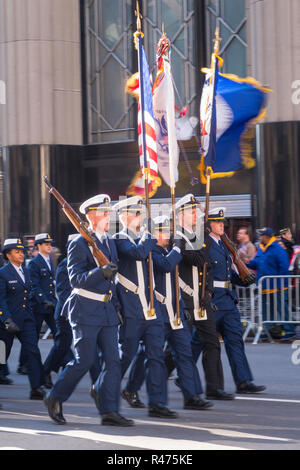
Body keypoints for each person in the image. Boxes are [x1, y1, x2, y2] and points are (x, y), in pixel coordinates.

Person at [44, 194, 133, 427]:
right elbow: (75, 280)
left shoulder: (109, 241)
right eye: (104, 213)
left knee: (114, 361)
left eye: (109, 213)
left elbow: (113, 280)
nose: (108, 217)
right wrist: (99, 272)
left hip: (106, 310)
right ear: (91, 216)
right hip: (85, 309)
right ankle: (55, 396)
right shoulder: (78, 243)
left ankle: (109, 410)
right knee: (84, 360)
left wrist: (117, 306)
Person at [122, 215, 213, 411]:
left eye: (167, 230)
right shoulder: (150, 251)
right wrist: (178, 249)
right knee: (150, 354)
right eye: (162, 231)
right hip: (159, 311)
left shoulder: (167, 251)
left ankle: (191, 396)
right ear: (153, 233)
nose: (167, 234)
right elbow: (165, 266)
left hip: (175, 312)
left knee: (184, 353)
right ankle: (132, 388)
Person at [113, 196, 178, 419]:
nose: (141, 216)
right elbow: (137, 254)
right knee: (126, 355)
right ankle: (104, 386)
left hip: (151, 308)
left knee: (156, 356)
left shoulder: (145, 239)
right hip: (131, 308)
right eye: (137, 213)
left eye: (141, 212)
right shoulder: (119, 239)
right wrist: (150, 236)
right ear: (123, 216)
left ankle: (157, 403)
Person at [175, 194, 234, 400]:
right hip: (185, 300)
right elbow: (197, 258)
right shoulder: (178, 237)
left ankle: (214, 388)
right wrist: (203, 237)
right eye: (192, 212)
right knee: (176, 348)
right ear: (181, 214)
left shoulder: (198, 236)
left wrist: (208, 291)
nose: (196, 215)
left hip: (202, 300)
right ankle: (151, 376)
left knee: (212, 342)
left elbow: (207, 269)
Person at [205, 208, 266, 394]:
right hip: (213, 298)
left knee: (235, 341)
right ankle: (181, 373)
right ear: (209, 225)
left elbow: (229, 273)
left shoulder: (224, 245)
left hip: (228, 300)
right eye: (218, 222)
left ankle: (243, 381)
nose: (222, 225)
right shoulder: (204, 245)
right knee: (197, 341)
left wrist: (244, 279)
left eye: (223, 222)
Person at [0, 238, 45, 399]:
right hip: (8, 322)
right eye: (17, 252)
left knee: (33, 351)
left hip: (26, 319)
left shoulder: (25, 271)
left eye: (22, 251)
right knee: (1, 356)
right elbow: (1, 300)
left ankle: (36, 387)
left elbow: (30, 292)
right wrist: (6, 319)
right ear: (8, 254)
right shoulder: (3, 273)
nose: (21, 254)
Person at [248, 227, 293, 339]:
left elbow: (284, 268)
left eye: (261, 235)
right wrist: (247, 263)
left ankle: (289, 330)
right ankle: (269, 330)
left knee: (282, 309)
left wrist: (280, 284)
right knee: (266, 311)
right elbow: (256, 263)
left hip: (278, 287)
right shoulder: (262, 248)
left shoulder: (278, 249)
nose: (259, 237)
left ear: (267, 237)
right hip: (264, 286)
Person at [28, 233, 57, 339]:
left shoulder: (50, 261)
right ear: (38, 245)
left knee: (59, 334)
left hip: (51, 305)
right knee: (33, 338)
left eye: (50, 244)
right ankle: (27, 356)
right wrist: (44, 300)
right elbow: (34, 285)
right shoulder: (34, 263)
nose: (49, 246)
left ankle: (66, 356)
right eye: (46, 244)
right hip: (38, 306)